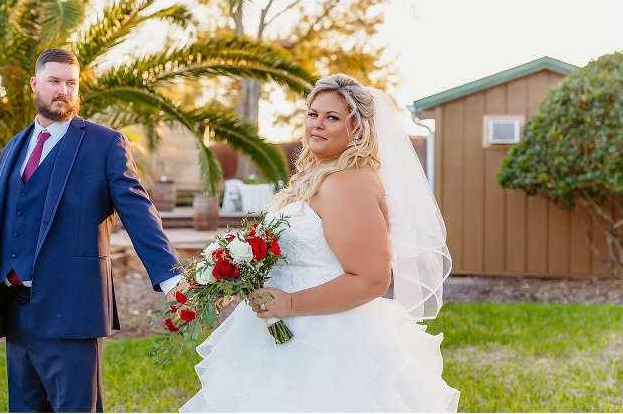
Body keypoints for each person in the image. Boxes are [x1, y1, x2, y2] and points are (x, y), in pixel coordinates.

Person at [181, 74, 460, 412]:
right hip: (279, 325)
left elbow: (372, 279)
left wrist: (291, 304)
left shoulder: (348, 184)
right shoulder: (317, 176)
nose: (318, 125)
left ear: (356, 128)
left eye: (332, 118)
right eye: (313, 114)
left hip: (325, 339)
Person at [0, 48, 182, 412]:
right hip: (15, 306)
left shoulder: (104, 144)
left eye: (71, 83)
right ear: (35, 84)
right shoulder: (13, 148)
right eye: (54, 81)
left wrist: (172, 278)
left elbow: (138, 210)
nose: (63, 91)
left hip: (72, 305)